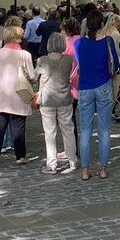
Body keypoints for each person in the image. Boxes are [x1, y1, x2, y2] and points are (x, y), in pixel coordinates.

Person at [74, 9, 120, 180]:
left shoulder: (79, 43)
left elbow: (79, 63)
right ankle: (102, 168)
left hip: (85, 87)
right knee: (104, 129)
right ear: (101, 24)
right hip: (103, 86)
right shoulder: (107, 41)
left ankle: (85, 170)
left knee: (85, 130)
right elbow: (115, 65)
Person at [0, 25, 38, 166]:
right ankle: (20, 156)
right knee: (18, 127)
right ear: (16, 38)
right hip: (19, 94)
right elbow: (32, 76)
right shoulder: (25, 55)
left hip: (0, 94)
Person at [36, 31, 78, 173]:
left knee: (50, 133)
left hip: (47, 100)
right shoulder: (68, 59)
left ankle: (52, 163)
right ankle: (72, 160)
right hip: (65, 98)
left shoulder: (42, 60)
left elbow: (34, 75)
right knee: (68, 130)